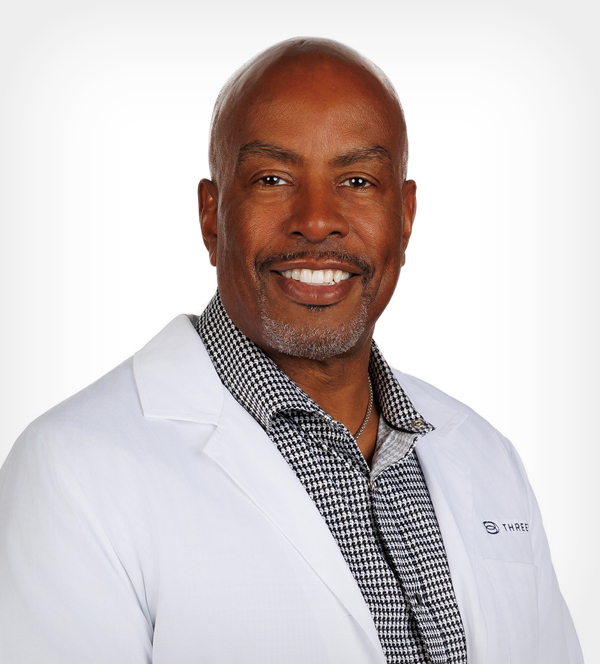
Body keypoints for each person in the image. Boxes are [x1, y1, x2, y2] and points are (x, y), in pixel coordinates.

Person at [0, 37, 583, 664]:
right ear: (212, 216)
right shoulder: (72, 471)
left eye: (357, 180)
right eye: (273, 179)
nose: (317, 219)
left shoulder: (487, 457)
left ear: (405, 216)